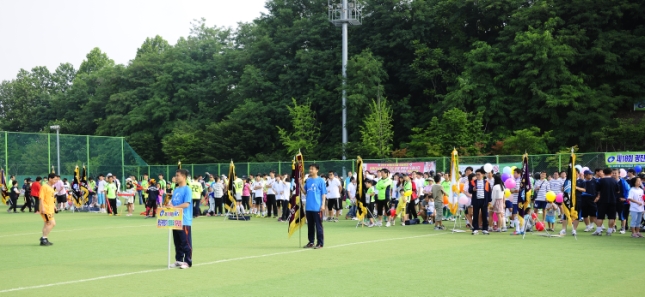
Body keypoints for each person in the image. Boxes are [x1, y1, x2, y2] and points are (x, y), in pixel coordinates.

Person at [168, 169, 193, 269]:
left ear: (184, 177)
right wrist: (170, 204)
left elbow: (186, 204)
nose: (176, 177)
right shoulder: (176, 189)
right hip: (175, 219)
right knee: (177, 241)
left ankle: (188, 261)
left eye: (178, 175)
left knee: (185, 241)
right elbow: (174, 202)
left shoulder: (187, 189)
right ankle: (179, 259)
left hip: (184, 220)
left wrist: (174, 207)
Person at [303, 164, 326, 249]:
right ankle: (311, 242)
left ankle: (320, 243)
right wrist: (300, 184)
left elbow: (324, 194)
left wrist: (323, 204)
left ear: (317, 170)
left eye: (312, 169)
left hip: (317, 207)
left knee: (318, 226)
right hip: (309, 207)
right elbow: (305, 192)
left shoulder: (321, 181)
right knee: (310, 225)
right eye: (310, 169)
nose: (310, 170)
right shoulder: (308, 181)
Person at [593, 168, 620, 236]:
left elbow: (597, 189)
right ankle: (609, 231)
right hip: (612, 200)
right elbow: (618, 190)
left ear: (604, 173)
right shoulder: (614, 181)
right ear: (611, 173)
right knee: (611, 217)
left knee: (600, 216)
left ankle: (598, 231)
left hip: (603, 200)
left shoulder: (600, 181)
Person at [469, 169, 491, 235]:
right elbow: (470, 190)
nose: (477, 176)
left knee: (484, 215)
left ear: (483, 174)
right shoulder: (473, 182)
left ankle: (485, 229)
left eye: (479, 174)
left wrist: (489, 201)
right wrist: (473, 189)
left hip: (484, 200)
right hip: (476, 200)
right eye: (476, 174)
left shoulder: (486, 182)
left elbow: (489, 192)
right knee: (475, 215)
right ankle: (475, 229)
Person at [38, 173, 57, 246]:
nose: (56, 181)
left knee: (47, 223)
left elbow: (51, 198)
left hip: (50, 208)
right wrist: (42, 207)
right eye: (54, 179)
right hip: (46, 208)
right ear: (50, 179)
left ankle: (44, 239)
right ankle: (43, 238)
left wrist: (54, 206)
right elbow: (41, 198)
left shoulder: (51, 187)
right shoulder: (44, 187)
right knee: (52, 223)